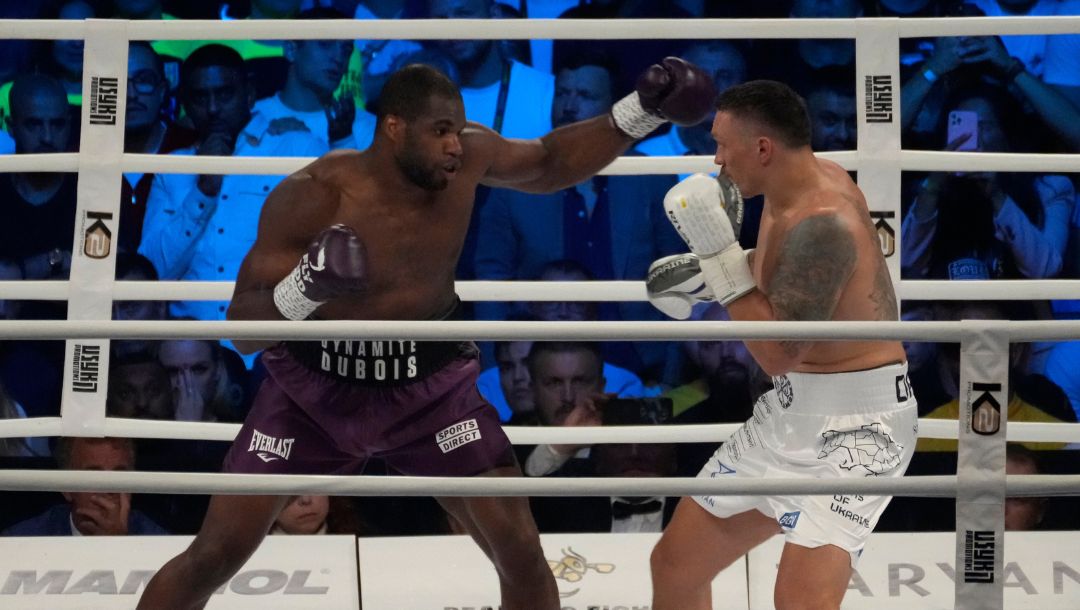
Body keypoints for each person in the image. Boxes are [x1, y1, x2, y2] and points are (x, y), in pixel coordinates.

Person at [137, 57, 717, 609]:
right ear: (393, 128)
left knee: (520, 552)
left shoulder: (464, 163)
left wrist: (642, 111)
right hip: (311, 394)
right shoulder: (316, 195)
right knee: (214, 555)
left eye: (458, 130)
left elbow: (549, 162)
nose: (454, 145)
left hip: (431, 393)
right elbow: (242, 331)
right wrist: (306, 289)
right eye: (440, 131)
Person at [645, 80, 917, 610]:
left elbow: (776, 351)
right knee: (676, 566)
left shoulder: (824, 221)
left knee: (799, 602)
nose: (717, 159)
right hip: (790, 412)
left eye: (723, 144)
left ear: (763, 148)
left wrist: (720, 260)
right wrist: (707, 276)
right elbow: (786, 280)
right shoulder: (788, 192)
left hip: (859, 429)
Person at [2, 437, 168, 536]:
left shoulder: (161, 544)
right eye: (94, 476)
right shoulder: (22, 541)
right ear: (66, 487)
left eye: (119, 474)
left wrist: (118, 547)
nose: (109, 489)